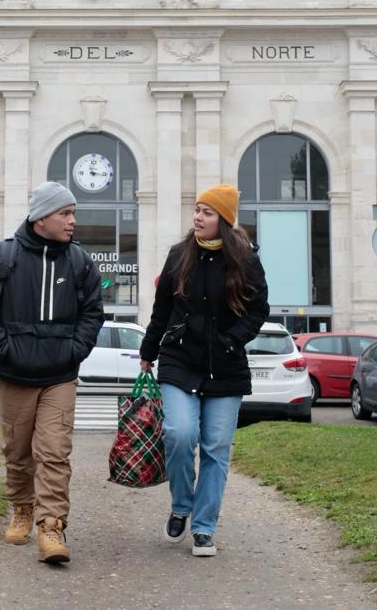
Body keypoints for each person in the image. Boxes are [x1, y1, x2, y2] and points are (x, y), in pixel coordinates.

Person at [0, 181, 104, 564]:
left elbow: (93, 313)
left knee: (55, 452)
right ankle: (22, 507)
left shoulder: (80, 262)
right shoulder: (0, 258)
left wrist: (75, 350)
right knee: (17, 450)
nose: (73, 221)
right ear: (42, 217)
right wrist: (5, 350)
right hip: (12, 375)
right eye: (66, 213)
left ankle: (51, 526)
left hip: (59, 375)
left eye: (73, 213)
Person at [138, 184, 268, 557]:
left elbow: (260, 311)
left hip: (225, 366)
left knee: (215, 449)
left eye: (207, 212)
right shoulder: (179, 255)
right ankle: (181, 505)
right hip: (180, 358)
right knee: (179, 434)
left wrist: (233, 339)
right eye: (197, 210)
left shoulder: (246, 260)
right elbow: (161, 309)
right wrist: (148, 351)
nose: (198, 217)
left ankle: (204, 527)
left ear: (224, 221)